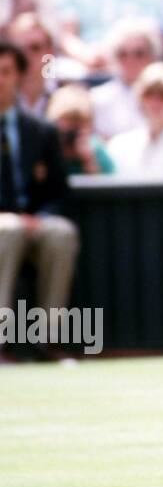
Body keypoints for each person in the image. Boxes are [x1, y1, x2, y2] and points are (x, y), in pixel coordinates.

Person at [0, 39, 78, 363]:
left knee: (61, 234)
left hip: (32, 220)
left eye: (5, 72)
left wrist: (41, 216)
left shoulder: (42, 131)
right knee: (8, 230)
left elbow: (58, 192)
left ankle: (49, 341)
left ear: (19, 76)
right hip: (7, 226)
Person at [45, 85, 113, 175]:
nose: (72, 133)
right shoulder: (43, 147)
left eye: (79, 124)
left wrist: (88, 160)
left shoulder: (97, 150)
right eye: (69, 120)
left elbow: (106, 186)